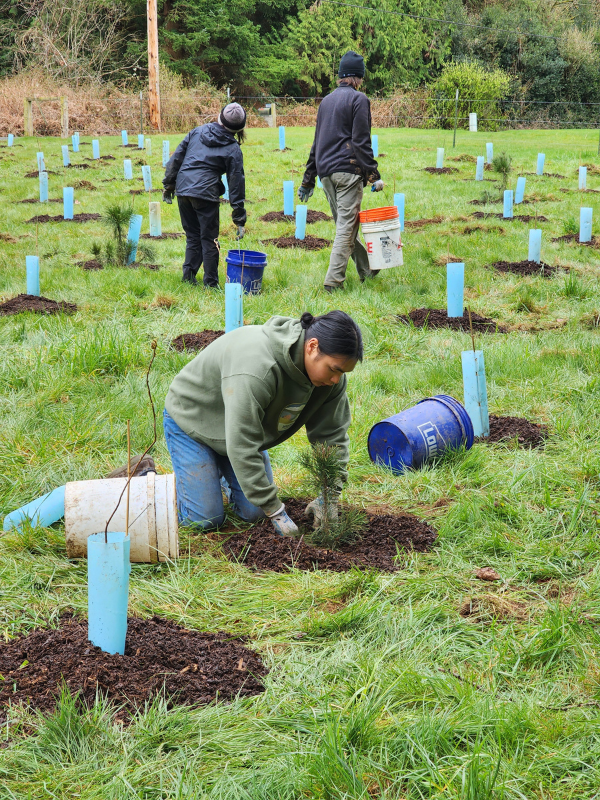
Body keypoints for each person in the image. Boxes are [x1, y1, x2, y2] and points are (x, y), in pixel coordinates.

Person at [163, 310, 363, 536]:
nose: (336, 379)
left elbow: (332, 436)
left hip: (238, 430)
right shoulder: (258, 368)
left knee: (255, 514)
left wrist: (329, 497)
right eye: (334, 369)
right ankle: (147, 482)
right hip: (193, 419)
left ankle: (218, 470)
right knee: (205, 520)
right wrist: (276, 511)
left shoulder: (330, 381)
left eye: (343, 373)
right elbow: (243, 444)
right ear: (312, 346)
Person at [299, 51, 384, 292]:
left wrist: (308, 180)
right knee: (346, 229)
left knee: (345, 226)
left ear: (340, 76)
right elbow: (361, 142)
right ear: (357, 77)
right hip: (348, 172)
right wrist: (373, 175)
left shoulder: (325, 102)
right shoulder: (359, 100)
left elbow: (316, 143)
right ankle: (333, 282)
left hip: (325, 173)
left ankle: (367, 269)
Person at [162, 102, 247, 288]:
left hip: (183, 190)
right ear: (240, 128)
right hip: (205, 194)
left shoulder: (197, 131)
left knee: (193, 236)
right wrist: (239, 219)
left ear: (219, 117)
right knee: (209, 239)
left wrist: (169, 185)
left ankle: (188, 278)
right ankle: (211, 284)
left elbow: (176, 158)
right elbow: (236, 184)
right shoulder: (233, 148)